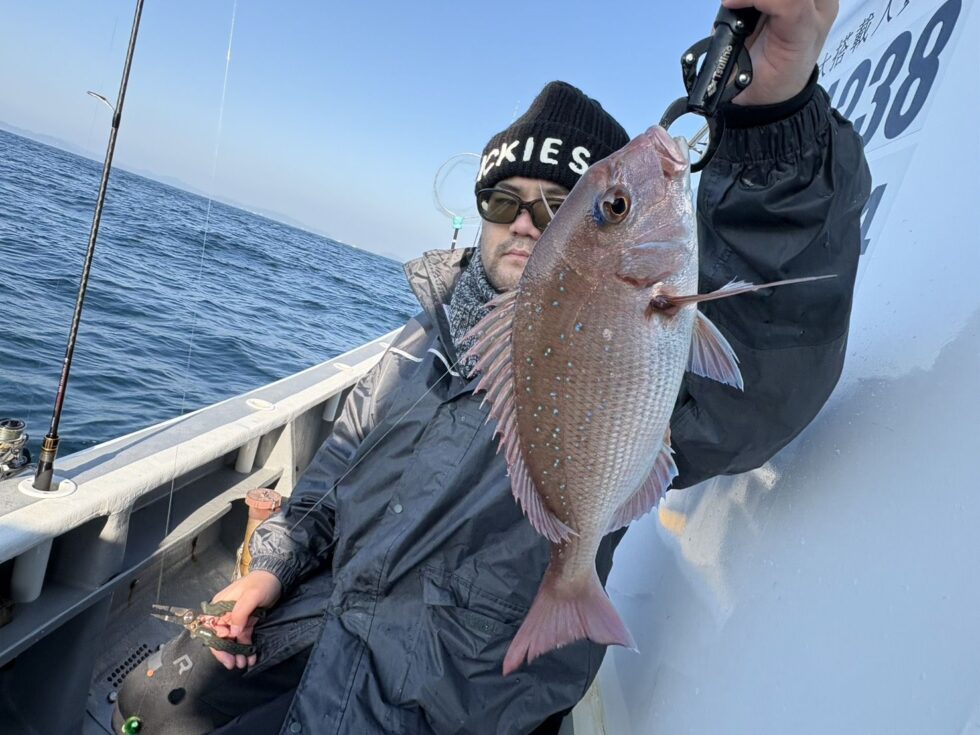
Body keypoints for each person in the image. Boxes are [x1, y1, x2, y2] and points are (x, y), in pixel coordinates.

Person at [116, 0, 870, 732]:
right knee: (147, 706)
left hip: (451, 696)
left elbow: (761, 384)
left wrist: (774, 119)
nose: (522, 221)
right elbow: (335, 471)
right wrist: (270, 569)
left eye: (560, 206)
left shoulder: (635, 336)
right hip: (329, 621)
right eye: (502, 198)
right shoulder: (419, 340)